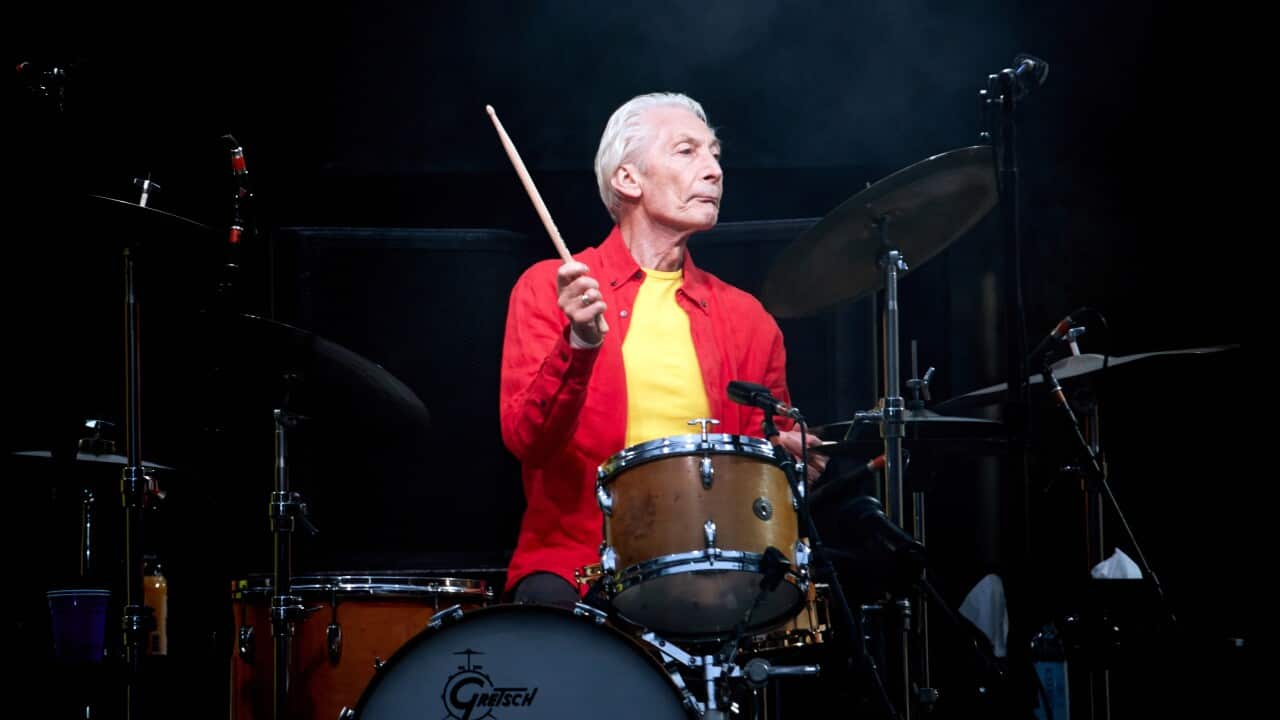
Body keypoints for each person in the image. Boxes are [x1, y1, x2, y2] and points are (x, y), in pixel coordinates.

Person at [498, 92, 825, 607]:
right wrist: (579, 343)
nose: (714, 170)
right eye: (687, 151)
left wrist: (786, 457)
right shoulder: (550, 289)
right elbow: (527, 441)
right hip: (578, 563)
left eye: (715, 153)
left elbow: (762, 472)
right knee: (545, 622)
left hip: (711, 568)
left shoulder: (748, 319)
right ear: (628, 180)